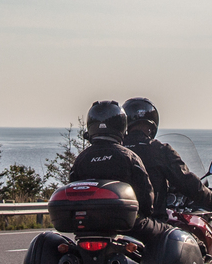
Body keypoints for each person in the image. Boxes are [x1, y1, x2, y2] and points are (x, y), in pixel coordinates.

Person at [69, 100, 170, 249]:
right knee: (170, 234)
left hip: (88, 226)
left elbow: (73, 187)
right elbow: (146, 196)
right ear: (122, 126)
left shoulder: (81, 159)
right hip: (129, 225)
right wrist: (147, 213)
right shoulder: (129, 157)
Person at [121, 97, 212, 217]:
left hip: (118, 221)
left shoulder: (117, 149)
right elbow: (185, 180)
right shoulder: (159, 150)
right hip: (150, 221)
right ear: (153, 124)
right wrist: (211, 197)